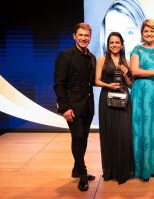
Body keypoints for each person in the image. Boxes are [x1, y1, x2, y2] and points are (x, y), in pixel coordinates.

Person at [53, 22, 96, 191]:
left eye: (86, 35)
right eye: (81, 35)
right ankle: (82, 173)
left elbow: (91, 81)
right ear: (74, 36)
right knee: (77, 138)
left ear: (90, 37)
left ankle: (76, 169)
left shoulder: (92, 57)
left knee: (83, 138)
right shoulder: (66, 55)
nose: (84, 38)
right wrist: (64, 108)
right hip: (73, 107)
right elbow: (59, 84)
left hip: (88, 106)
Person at [130, 19, 154, 181]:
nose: (149, 34)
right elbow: (134, 71)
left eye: (152, 31)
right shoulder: (137, 50)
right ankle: (143, 169)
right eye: (146, 31)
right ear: (142, 33)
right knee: (142, 129)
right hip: (141, 93)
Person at [95, 32, 134, 184]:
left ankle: (123, 172)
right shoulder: (102, 60)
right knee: (109, 134)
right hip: (107, 99)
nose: (114, 45)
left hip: (124, 100)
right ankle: (110, 171)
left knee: (124, 135)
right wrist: (108, 85)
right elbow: (97, 81)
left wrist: (125, 76)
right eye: (111, 42)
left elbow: (130, 84)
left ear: (122, 44)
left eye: (117, 42)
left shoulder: (128, 61)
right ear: (108, 44)